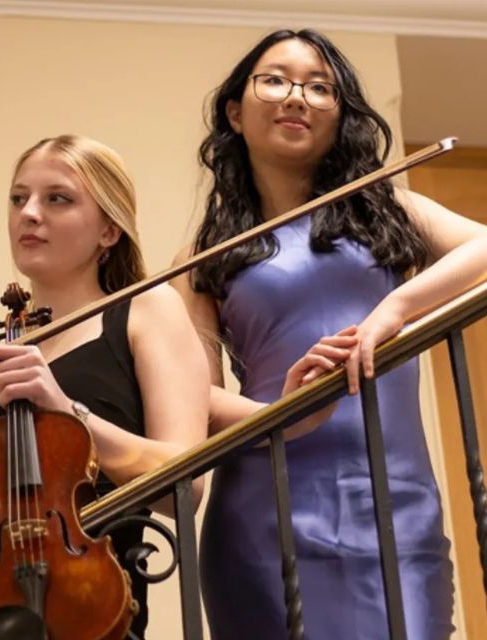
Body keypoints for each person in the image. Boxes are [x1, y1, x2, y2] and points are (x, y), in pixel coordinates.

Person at [174, 28, 487, 639]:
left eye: (320, 88)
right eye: (275, 80)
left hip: (395, 500)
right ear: (236, 111)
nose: (297, 97)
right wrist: (284, 414)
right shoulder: (204, 255)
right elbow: (197, 397)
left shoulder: (388, 209)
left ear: (339, 116)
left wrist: (393, 311)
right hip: (266, 510)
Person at [0, 134, 210, 638]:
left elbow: (184, 488)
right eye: (18, 198)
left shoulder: (145, 312)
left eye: (57, 198)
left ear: (109, 230)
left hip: (86, 616)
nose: (29, 213)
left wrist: (67, 410)